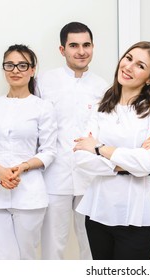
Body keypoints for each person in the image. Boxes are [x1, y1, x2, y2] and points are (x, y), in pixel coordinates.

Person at [72, 41, 150, 260]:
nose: (129, 67)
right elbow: (80, 157)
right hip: (99, 210)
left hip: (138, 213)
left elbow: (147, 163)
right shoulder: (101, 107)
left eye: (140, 66)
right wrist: (127, 162)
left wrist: (99, 148)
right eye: (128, 58)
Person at [0, 44, 57, 259]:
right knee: (4, 260)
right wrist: (0, 171)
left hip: (29, 193)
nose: (15, 70)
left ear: (32, 70)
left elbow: (49, 150)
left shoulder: (43, 107)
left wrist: (23, 166)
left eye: (22, 65)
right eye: (9, 65)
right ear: (4, 69)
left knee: (26, 258)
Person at [35, 22, 109, 260]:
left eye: (86, 45)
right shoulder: (44, 82)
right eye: (74, 45)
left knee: (92, 246)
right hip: (55, 175)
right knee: (52, 245)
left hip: (90, 177)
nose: (81, 51)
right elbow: (28, 119)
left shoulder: (104, 87)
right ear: (62, 49)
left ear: (93, 47)